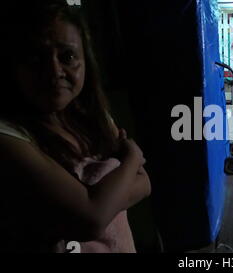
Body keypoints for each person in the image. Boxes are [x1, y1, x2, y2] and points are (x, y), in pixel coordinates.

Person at [0, 0, 151, 252]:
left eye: (67, 56)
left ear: (85, 61)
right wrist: (133, 157)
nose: (54, 70)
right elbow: (90, 219)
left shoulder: (92, 116)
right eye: (36, 57)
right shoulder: (9, 137)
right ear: (15, 65)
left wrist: (103, 201)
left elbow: (146, 185)